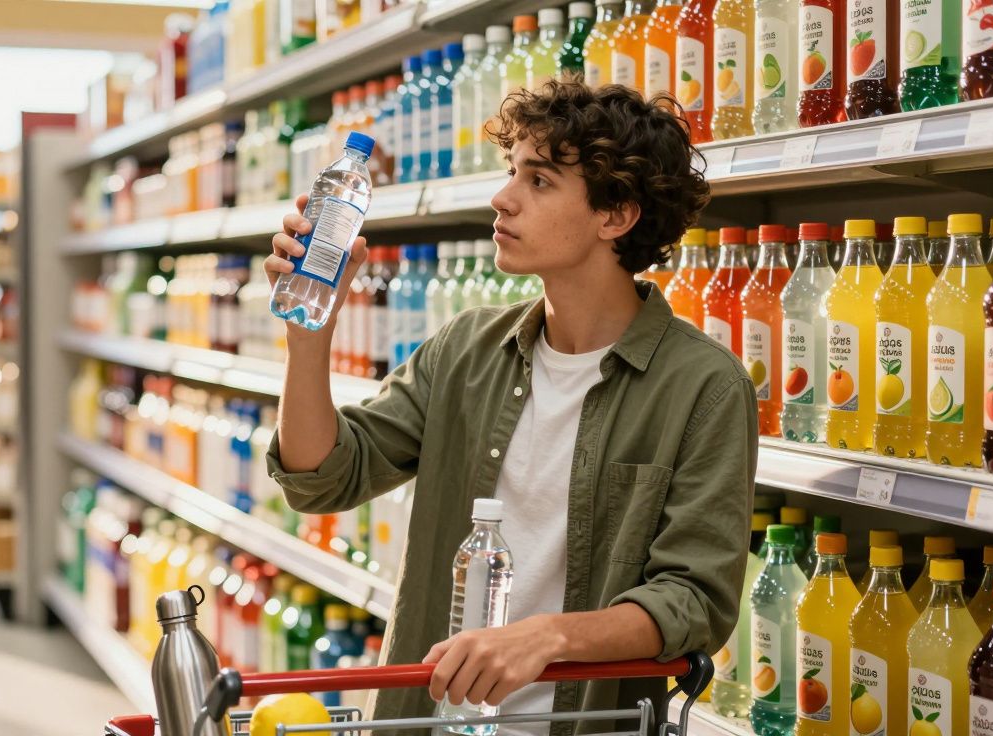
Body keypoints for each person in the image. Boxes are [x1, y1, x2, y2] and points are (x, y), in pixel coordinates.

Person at [263, 79, 756, 736]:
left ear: (616, 215)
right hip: (428, 721)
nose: (503, 198)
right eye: (510, 173)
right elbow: (322, 477)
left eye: (540, 180)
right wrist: (309, 335)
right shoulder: (467, 349)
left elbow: (693, 601)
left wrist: (547, 638)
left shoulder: (704, 386)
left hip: (588, 721)